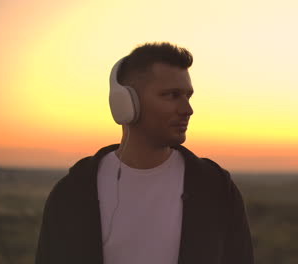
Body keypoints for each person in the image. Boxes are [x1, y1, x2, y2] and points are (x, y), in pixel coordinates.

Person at [35, 42, 254, 264]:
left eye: (188, 96)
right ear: (127, 103)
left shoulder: (215, 187)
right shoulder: (73, 192)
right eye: (171, 95)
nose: (187, 109)